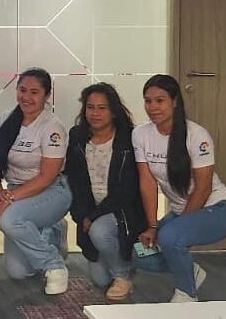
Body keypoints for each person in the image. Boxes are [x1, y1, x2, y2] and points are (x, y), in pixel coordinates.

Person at [133, 74, 226, 303]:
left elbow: (204, 187)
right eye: (148, 101)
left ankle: (187, 295)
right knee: (139, 253)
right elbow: (148, 183)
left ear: (175, 101)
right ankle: (191, 272)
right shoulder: (140, 134)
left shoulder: (197, 135)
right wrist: (152, 226)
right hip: (180, 213)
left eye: (160, 100)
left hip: (217, 209)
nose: (153, 107)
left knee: (170, 238)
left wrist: (176, 228)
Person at [0, 67, 72, 295]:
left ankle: (54, 265)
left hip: (52, 189)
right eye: (22, 90)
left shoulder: (51, 126)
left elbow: (47, 176)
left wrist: (8, 200)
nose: (26, 97)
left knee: (9, 219)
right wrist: (0, 193)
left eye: (34, 92)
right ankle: (49, 231)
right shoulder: (5, 119)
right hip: (16, 192)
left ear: (46, 96)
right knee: (19, 272)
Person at [64, 83, 146, 301]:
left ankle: (123, 275)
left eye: (102, 108)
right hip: (91, 209)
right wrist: (82, 215)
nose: (95, 113)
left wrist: (94, 217)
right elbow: (75, 181)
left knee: (99, 231)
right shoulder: (77, 137)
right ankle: (123, 264)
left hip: (122, 209)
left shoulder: (129, 138)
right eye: (90, 107)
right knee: (100, 279)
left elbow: (128, 189)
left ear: (113, 111)